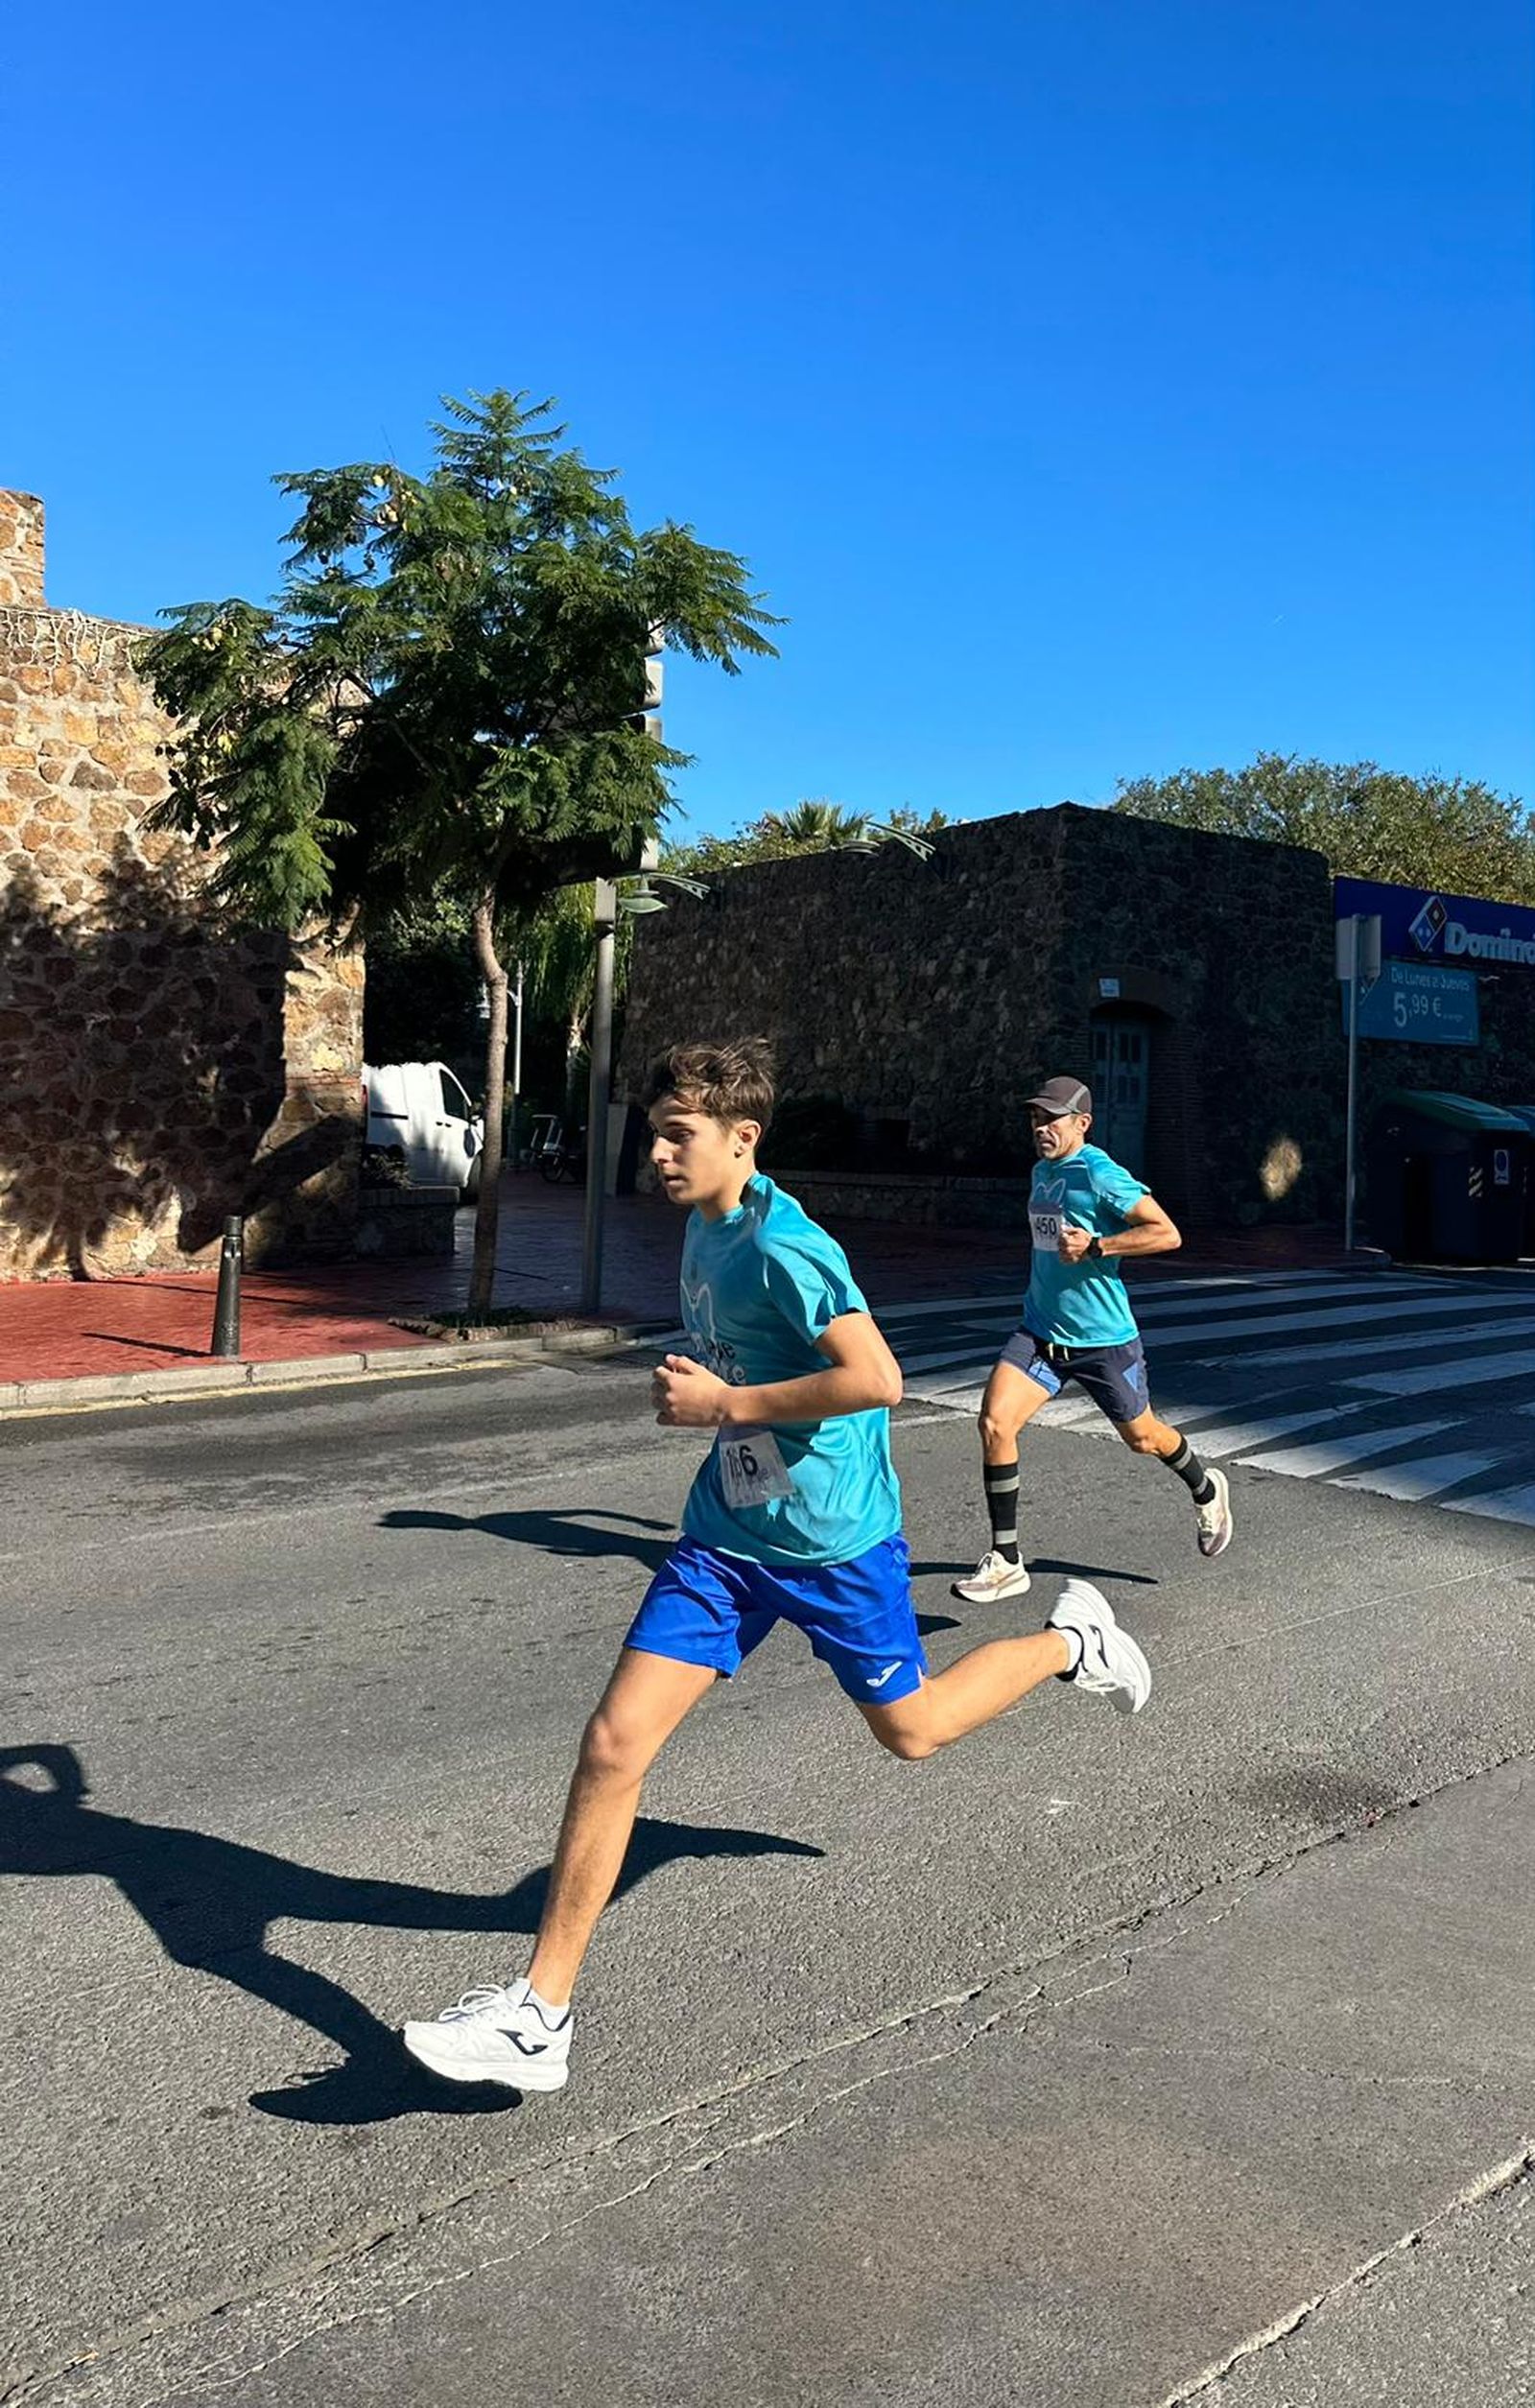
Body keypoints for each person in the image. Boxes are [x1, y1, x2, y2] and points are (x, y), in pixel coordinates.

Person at [403, 1039, 1151, 2093]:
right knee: (615, 1740)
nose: (658, 1153)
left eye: (679, 1135)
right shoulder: (706, 1229)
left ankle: (1072, 1640)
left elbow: (878, 1378)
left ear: (740, 1140)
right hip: (728, 1534)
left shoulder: (787, 1246)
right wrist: (717, 1402)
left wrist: (728, 1406)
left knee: (915, 1730)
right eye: (654, 1131)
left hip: (835, 1544)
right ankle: (540, 2014)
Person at [953, 1074, 1234, 1606]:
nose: (1041, 1128)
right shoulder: (1041, 1171)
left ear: (1081, 1123)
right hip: (1040, 1332)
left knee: (1144, 1437)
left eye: (1051, 1119)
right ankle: (1007, 1560)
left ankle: (1206, 1487)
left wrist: (1099, 1246)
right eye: (1035, 1119)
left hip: (1103, 1340)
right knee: (995, 1422)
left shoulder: (1100, 1173)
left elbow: (1167, 1233)